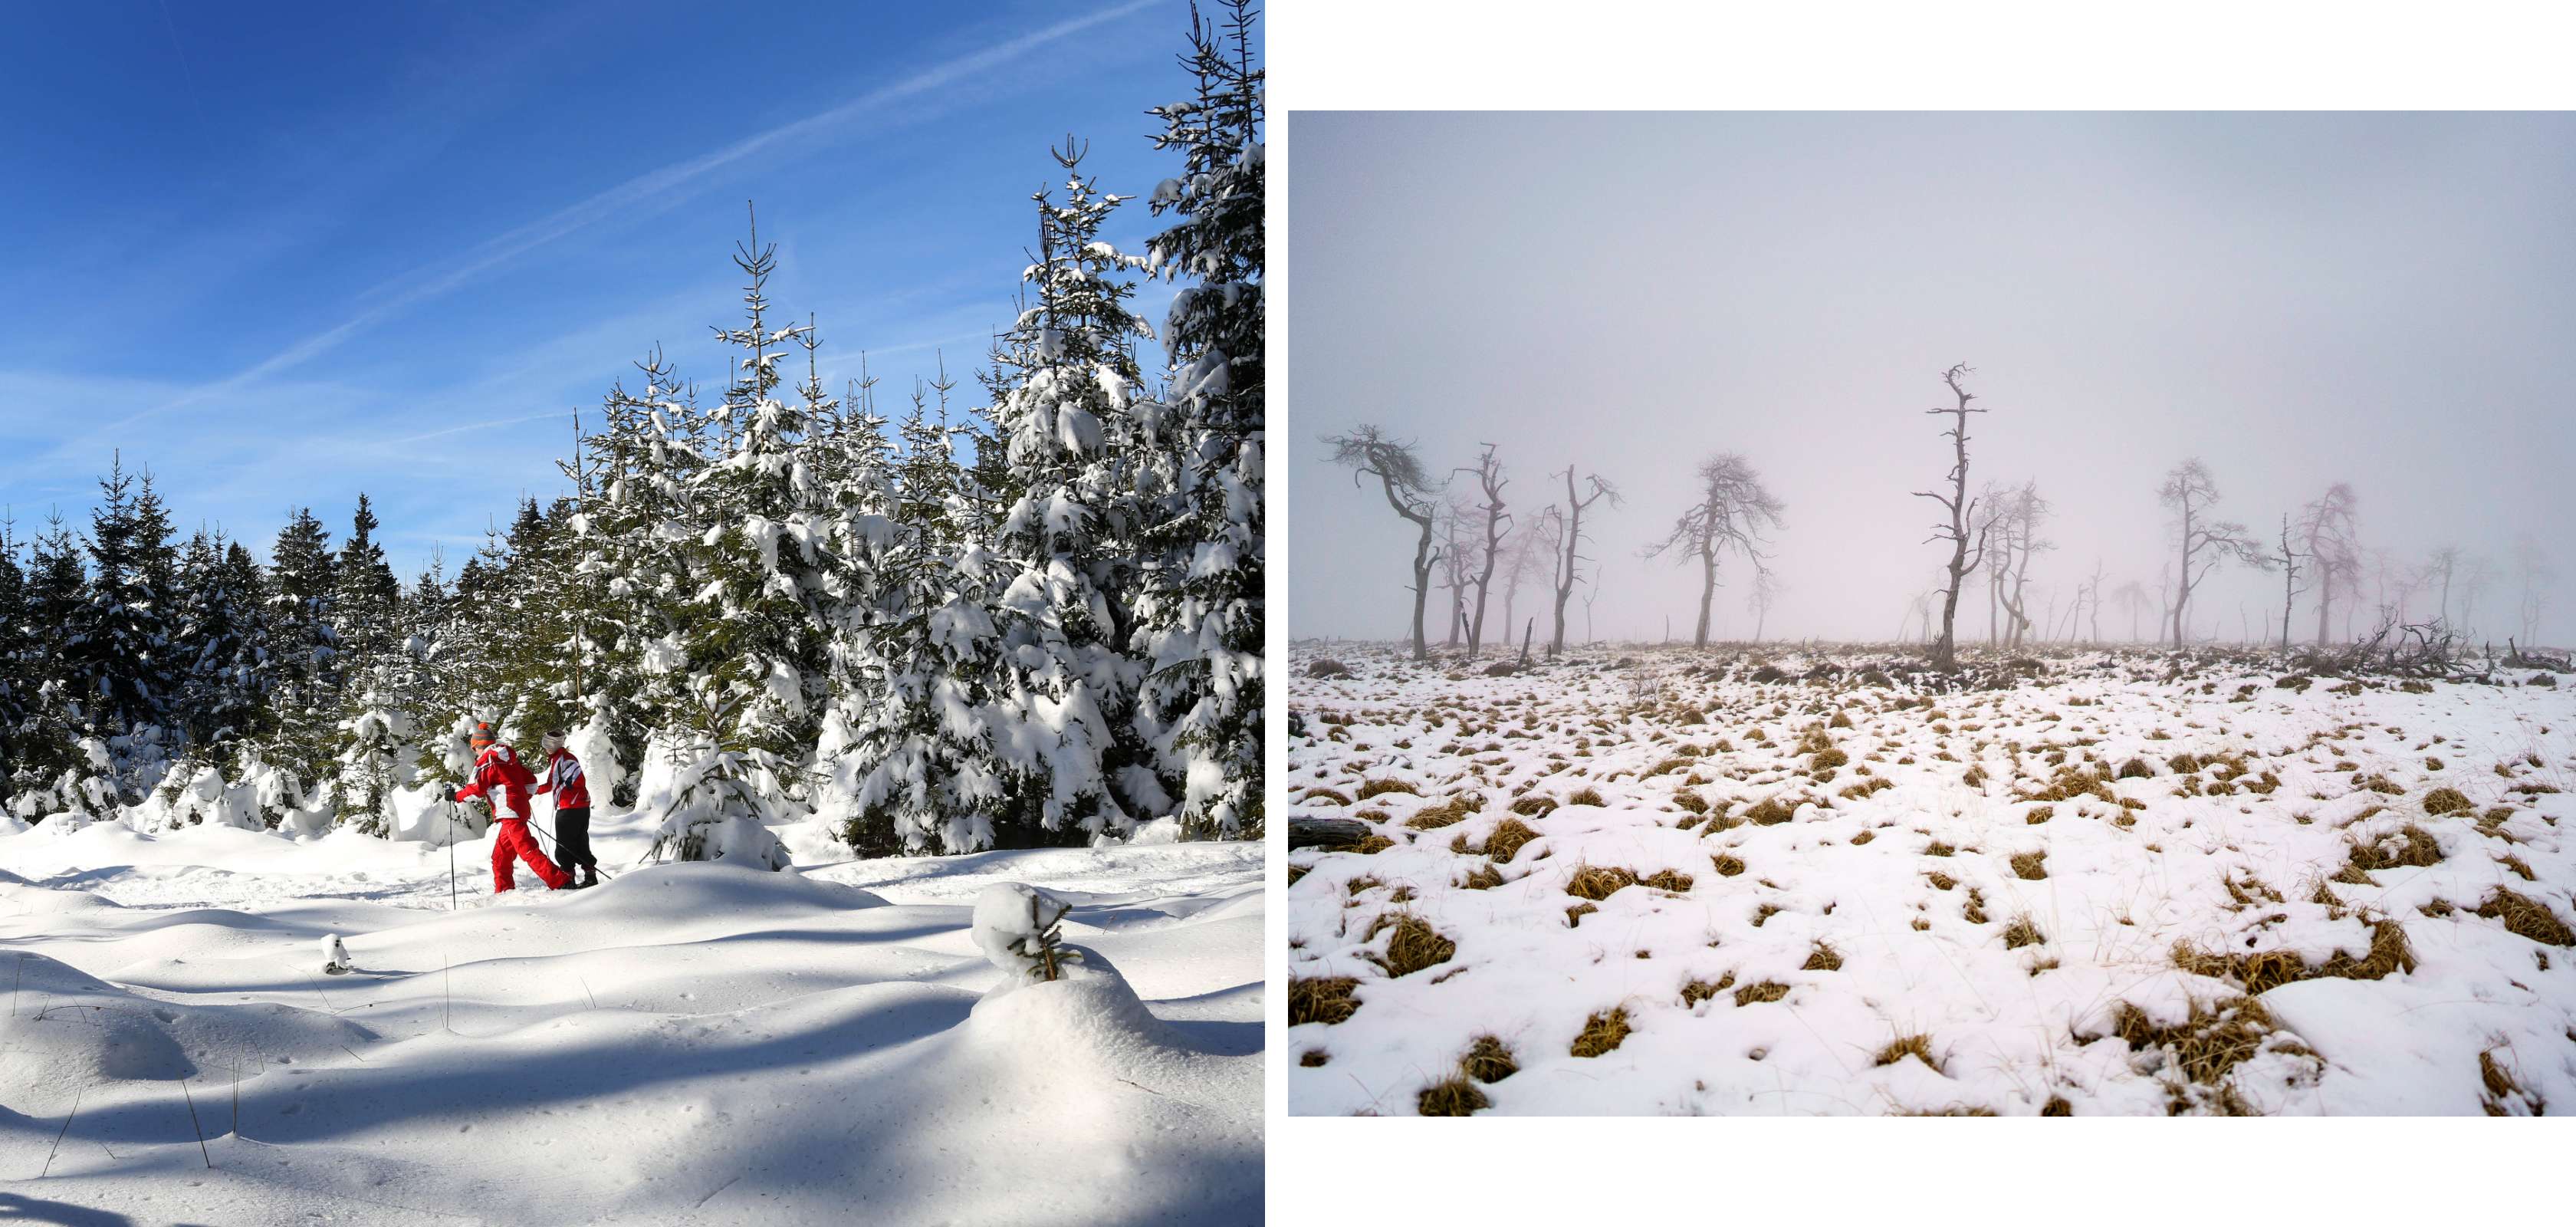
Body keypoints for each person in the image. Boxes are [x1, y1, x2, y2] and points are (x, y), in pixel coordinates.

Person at [452, 722, 570, 893]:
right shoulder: (509, 759)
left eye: (474, 748)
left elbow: (476, 789)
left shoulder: (488, 760)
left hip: (509, 812)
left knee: (527, 849)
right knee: (500, 857)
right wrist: (520, 799)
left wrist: (456, 796)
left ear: (479, 745)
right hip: (515, 811)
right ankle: (504, 890)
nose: (475, 753)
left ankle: (560, 881)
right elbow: (531, 782)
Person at [534, 729, 598, 888]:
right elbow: (552, 784)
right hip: (578, 806)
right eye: (545, 743)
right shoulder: (559, 759)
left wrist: (565, 789)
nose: (545, 748)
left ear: (557, 745)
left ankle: (568, 879)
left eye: (548, 744)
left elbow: (576, 781)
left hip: (570, 807)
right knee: (580, 841)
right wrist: (533, 791)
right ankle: (590, 876)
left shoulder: (565, 759)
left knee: (564, 844)